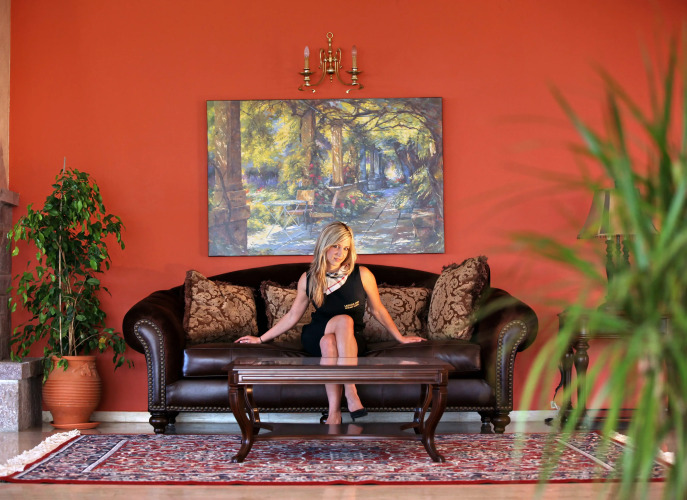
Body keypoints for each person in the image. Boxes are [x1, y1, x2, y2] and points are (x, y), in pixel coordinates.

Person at [235, 221, 426, 424]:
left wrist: (400, 337)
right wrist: (260, 339)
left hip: (351, 339)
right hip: (316, 333)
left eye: (346, 248)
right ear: (324, 245)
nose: (340, 253)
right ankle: (351, 390)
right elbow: (292, 316)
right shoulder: (309, 278)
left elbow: (377, 309)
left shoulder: (362, 274)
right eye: (336, 246)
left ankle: (334, 413)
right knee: (341, 322)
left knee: (330, 341)